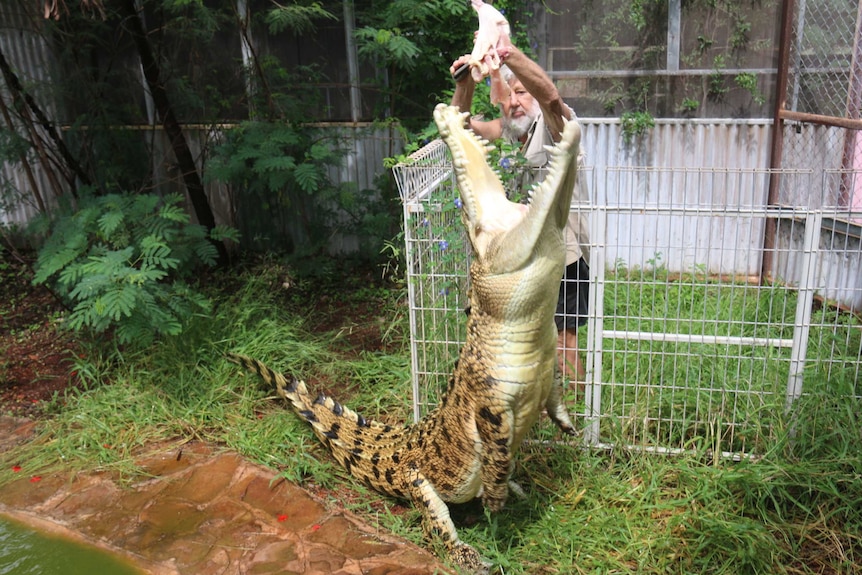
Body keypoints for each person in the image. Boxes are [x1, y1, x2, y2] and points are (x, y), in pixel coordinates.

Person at [449, 41, 590, 399]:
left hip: (566, 252)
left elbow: (552, 98)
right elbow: (460, 129)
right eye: (507, 95)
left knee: (565, 335)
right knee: (525, 337)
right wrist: (465, 84)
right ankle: (534, 411)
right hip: (523, 254)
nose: (514, 102)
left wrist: (506, 53)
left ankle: (575, 408)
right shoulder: (514, 128)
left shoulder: (552, 123)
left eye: (522, 93)